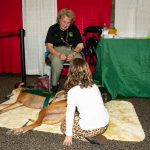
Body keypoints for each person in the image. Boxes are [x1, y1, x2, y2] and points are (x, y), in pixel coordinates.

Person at [61, 58, 109, 146]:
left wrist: (68, 135)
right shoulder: (94, 86)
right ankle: (93, 134)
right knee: (79, 114)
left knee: (63, 126)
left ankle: (88, 138)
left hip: (90, 129)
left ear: (71, 73)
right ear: (87, 71)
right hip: (104, 125)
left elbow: (70, 114)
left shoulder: (72, 91)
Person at [45, 8, 84, 93]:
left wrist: (73, 53)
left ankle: (77, 85)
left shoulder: (74, 28)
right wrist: (58, 54)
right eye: (64, 22)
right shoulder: (52, 28)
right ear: (59, 20)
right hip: (56, 50)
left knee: (79, 61)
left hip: (71, 50)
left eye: (68, 22)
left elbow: (80, 45)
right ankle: (54, 86)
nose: (66, 24)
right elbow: (49, 46)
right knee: (56, 62)